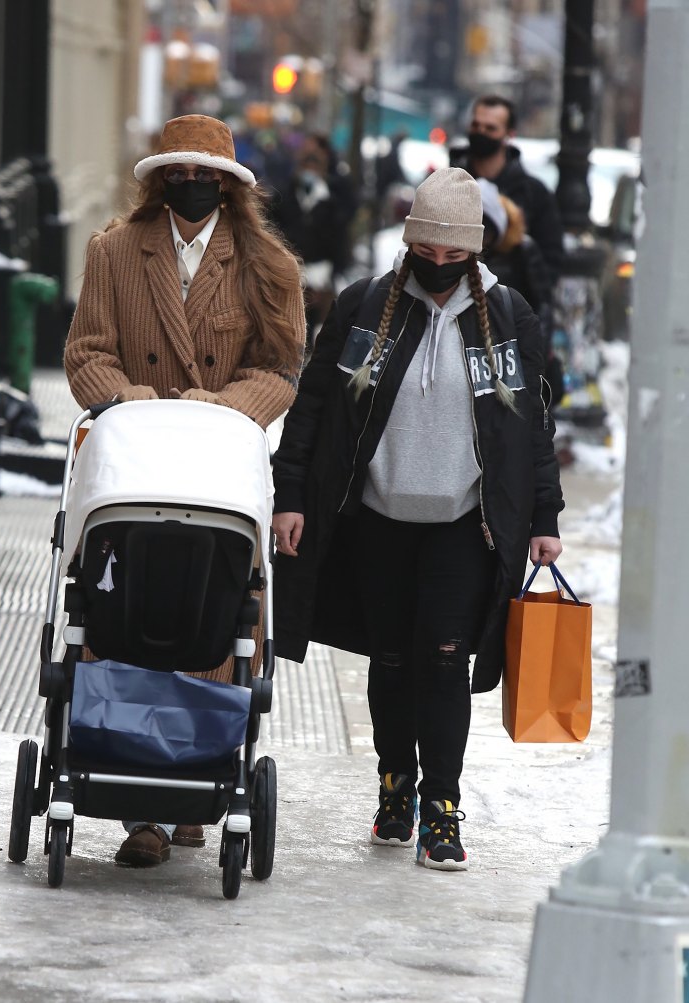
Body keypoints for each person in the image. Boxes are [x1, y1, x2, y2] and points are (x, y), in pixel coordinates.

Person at [271, 168, 564, 871]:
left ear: (475, 249)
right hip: (377, 516)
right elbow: (313, 405)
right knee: (393, 660)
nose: (437, 264)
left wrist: (545, 513)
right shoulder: (367, 307)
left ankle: (442, 808)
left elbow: (530, 425)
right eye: (424, 250)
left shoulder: (508, 314)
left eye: (451, 254)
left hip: (466, 523)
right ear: (409, 243)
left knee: (442, 661)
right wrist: (290, 496)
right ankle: (395, 786)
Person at [65, 113, 306, 869]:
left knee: (214, 618)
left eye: (207, 175)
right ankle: (142, 807)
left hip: (217, 471)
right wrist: (133, 406)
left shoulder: (268, 265)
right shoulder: (113, 252)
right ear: (160, 179)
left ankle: (199, 773)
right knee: (124, 611)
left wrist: (223, 411)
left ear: (231, 186)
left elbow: (281, 367)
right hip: (135, 470)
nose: (192, 184)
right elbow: (86, 351)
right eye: (178, 172)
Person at [450, 95, 564, 286]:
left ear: (509, 135)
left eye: (490, 128)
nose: (481, 132)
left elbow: (550, 261)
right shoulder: (447, 183)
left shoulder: (534, 194)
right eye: (476, 125)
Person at [477, 178, 564, 406]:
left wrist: (536, 357)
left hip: (514, 353)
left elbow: (543, 305)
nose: (481, 236)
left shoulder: (523, 252)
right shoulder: (460, 256)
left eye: (486, 227)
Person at [269, 134, 355, 352]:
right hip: (286, 272)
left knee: (312, 328)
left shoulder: (331, 203)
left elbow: (339, 243)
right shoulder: (282, 196)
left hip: (319, 276)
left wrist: (331, 275)